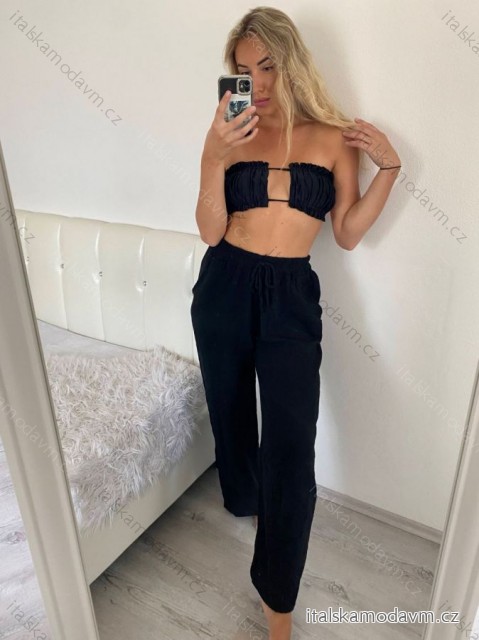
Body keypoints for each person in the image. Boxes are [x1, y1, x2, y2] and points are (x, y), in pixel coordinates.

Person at [191, 6, 401, 640]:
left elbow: (346, 233)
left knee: (290, 444)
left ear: (291, 61)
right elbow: (209, 231)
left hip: (290, 297)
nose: (256, 82)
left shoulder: (333, 135)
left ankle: (278, 599)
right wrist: (212, 156)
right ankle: (247, 501)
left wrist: (390, 171)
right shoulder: (232, 129)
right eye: (244, 70)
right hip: (225, 284)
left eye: (268, 66)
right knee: (230, 411)